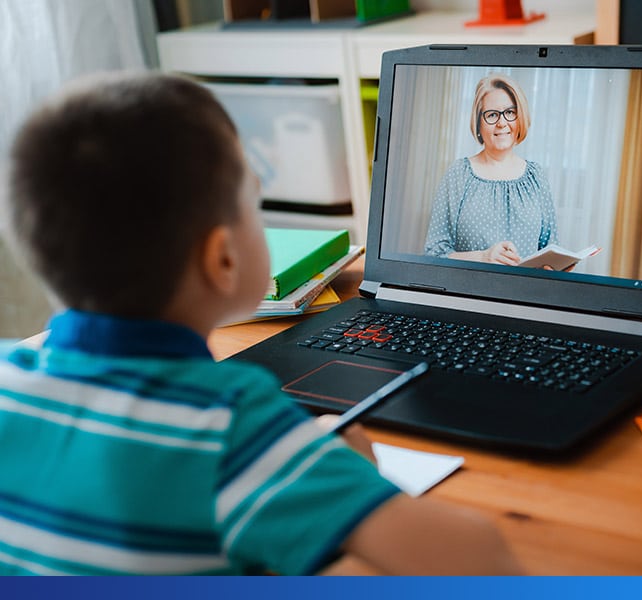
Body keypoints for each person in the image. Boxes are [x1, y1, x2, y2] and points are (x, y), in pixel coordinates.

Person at [0, 73, 522, 576]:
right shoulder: (230, 428)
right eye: (254, 202)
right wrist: (350, 477)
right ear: (222, 258)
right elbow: (486, 563)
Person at [424, 73, 558, 266]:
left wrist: (556, 267)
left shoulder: (536, 175)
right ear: (478, 122)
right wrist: (483, 257)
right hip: (470, 292)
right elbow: (433, 253)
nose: (502, 123)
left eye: (510, 112)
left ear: (520, 117)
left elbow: (550, 248)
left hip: (524, 294)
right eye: (492, 115)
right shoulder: (458, 174)